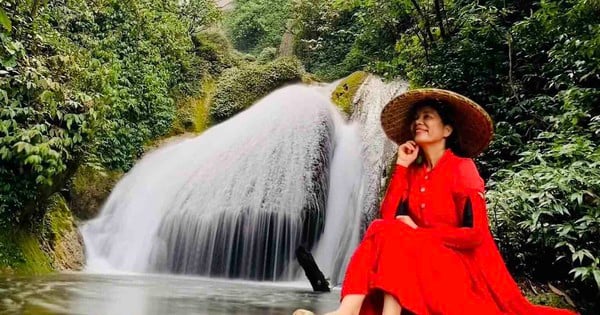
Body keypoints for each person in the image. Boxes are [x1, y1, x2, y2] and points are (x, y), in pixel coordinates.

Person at [294, 89, 578, 315]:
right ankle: (349, 310)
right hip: (415, 260)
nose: (418, 122)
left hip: (458, 264)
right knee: (383, 227)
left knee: (394, 232)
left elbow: (476, 235)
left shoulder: (462, 168)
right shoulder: (414, 171)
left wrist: (420, 234)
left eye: (427, 116)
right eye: (416, 118)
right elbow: (389, 215)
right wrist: (403, 166)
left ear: (448, 130)